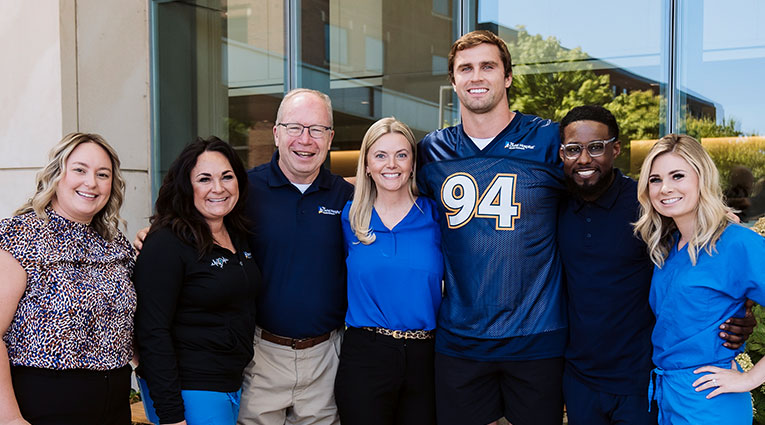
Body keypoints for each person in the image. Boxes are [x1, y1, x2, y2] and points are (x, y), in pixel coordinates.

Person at [557, 106, 754, 425]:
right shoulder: (554, 202)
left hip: (643, 382)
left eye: (596, 147)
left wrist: (742, 319)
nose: (584, 159)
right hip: (583, 380)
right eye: (573, 149)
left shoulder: (656, 209)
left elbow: (719, 262)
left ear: (616, 149)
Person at [416, 30, 566, 425]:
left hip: (537, 334)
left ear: (508, 77)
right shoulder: (432, 150)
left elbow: (600, 202)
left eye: (487, 66)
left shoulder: (548, 139)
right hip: (460, 338)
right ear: (453, 81)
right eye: (465, 68)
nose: (476, 76)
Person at [0, 133, 135, 425]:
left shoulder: (115, 243)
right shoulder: (22, 236)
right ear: (56, 175)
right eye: (80, 170)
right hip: (45, 404)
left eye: (103, 174)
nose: (91, 183)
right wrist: (9, 418)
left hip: (116, 404)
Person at [238, 89, 354, 425]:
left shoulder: (347, 198)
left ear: (330, 138)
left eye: (317, 129)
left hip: (326, 357)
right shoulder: (245, 191)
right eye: (295, 128)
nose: (306, 140)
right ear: (276, 133)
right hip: (261, 356)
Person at [633, 134, 765, 424]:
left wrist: (751, 378)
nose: (665, 188)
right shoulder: (669, 246)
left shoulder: (736, 242)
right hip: (668, 396)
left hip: (710, 399)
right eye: (655, 180)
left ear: (701, 178)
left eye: (677, 175)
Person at [133, 137, 260, 425]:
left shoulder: (237, 234)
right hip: (189, 388)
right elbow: (152, 331)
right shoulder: (166, 242)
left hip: (230, 383)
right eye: (204, 179)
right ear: (186, 186)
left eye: (227, 176)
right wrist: (171, 415)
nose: (218, 188)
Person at [334, 117, 443, 425]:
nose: (391, 164)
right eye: (380, 155)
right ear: (367, 164)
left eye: (401, 154)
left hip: (426, 355)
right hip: (366, 355)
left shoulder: (436, 216)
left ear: (412, 162)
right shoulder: (349, 218)